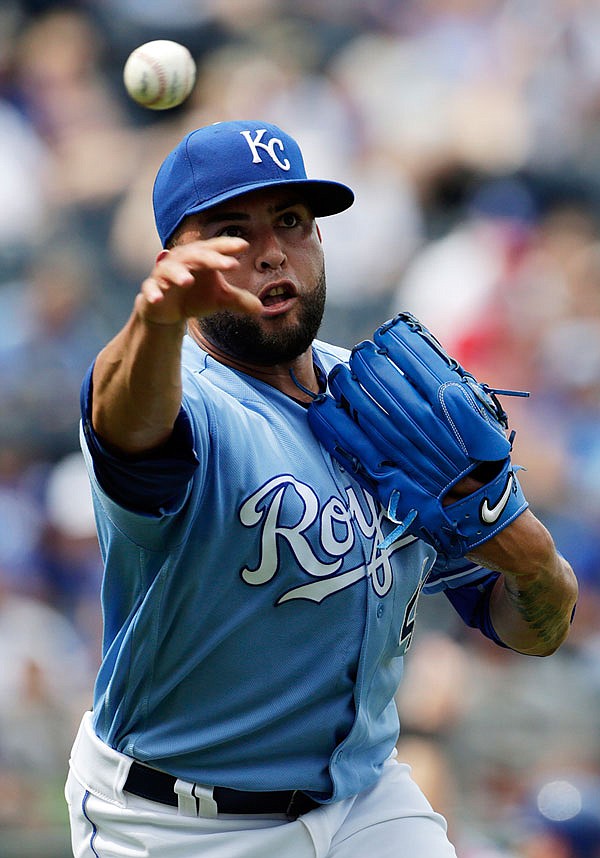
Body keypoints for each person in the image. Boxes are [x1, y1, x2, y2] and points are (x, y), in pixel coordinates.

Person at [65, 120, 578, 858]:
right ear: (176, 262)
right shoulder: (186, 402)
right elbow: (125, 421)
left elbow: (536, 630)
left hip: (365, 796)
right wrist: (154, 323)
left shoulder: (389, 402)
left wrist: (533, 562)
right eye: (232, 231)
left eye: (292, 222)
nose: (271, 249)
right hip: (179, 822)